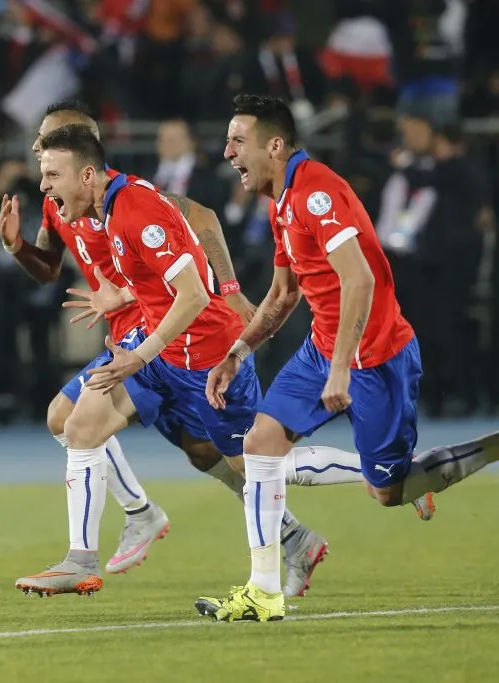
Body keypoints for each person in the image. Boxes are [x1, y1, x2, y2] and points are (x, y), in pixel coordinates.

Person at [196, 95, 499, 623]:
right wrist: (238, 352)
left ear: (274, 145)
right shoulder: (281, 200)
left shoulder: (315, 192)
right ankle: (263, 591)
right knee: (260, 444)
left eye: (238, 141)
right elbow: (283, 293)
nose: (228, 153)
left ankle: (487, 449)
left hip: (376, 358)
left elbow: (358, 280)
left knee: (388, 492)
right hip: (324, 347)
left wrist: (341, 369)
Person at [4, 121, 332, 599]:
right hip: (150, 347)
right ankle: (87, 554)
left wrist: (225, 290)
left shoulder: (135, 204)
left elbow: (195, 274)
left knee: (254, 461)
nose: (42, 181)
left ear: (87, 167)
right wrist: (114, 295)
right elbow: (107, 271)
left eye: (51, 168)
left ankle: (387, 470)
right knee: (76, 423)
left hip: (200, 351)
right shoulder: (87, 208)